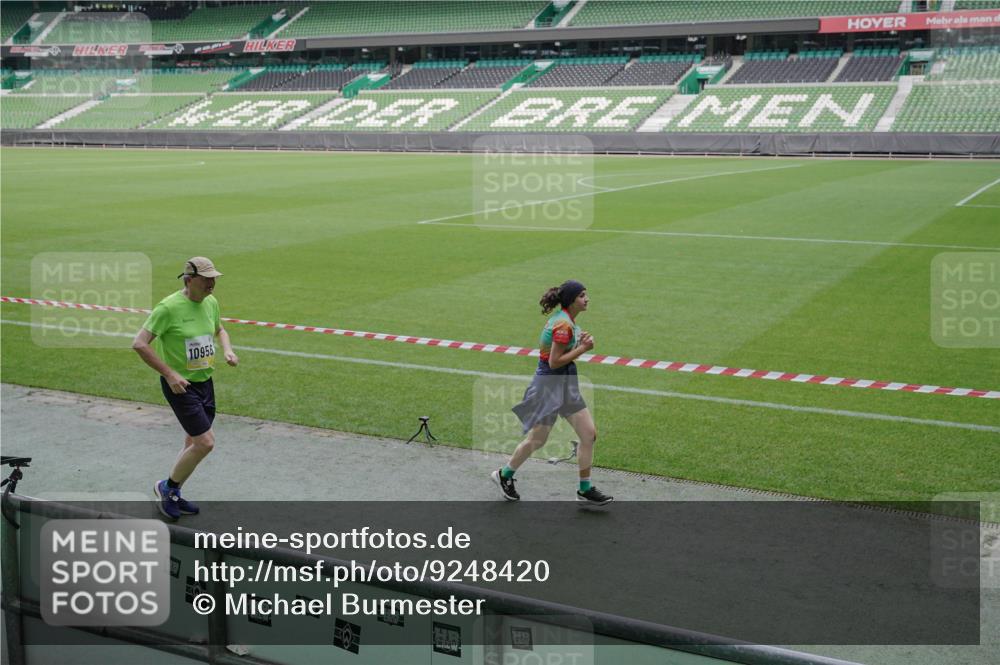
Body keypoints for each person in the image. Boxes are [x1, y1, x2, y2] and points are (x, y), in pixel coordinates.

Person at [132, 257, 238, 520]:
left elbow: (220, 329)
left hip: (205, 382)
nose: (212, 284)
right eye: (207, 280)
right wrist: (170, 375)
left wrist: (227, 349)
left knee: (192, 442)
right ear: (189, 280)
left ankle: (173, 490)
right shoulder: (168, 308)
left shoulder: (210, 302)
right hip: (181, 387)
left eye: (214, 279)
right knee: (206, 442)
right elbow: (140, 343)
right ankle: (167, 488)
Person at [491, 280, 613, 506]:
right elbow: (554, 362)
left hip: (565, 385)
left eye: (587, 295)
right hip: (549, 386)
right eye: (582, 295)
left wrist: (579, 342)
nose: (587, 299)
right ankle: (504, 475)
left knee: (588, 434)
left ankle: (584, 489)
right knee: (537, 439)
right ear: (571, 300)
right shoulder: (563, 325)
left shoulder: (568, 322)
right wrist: (583, 349)